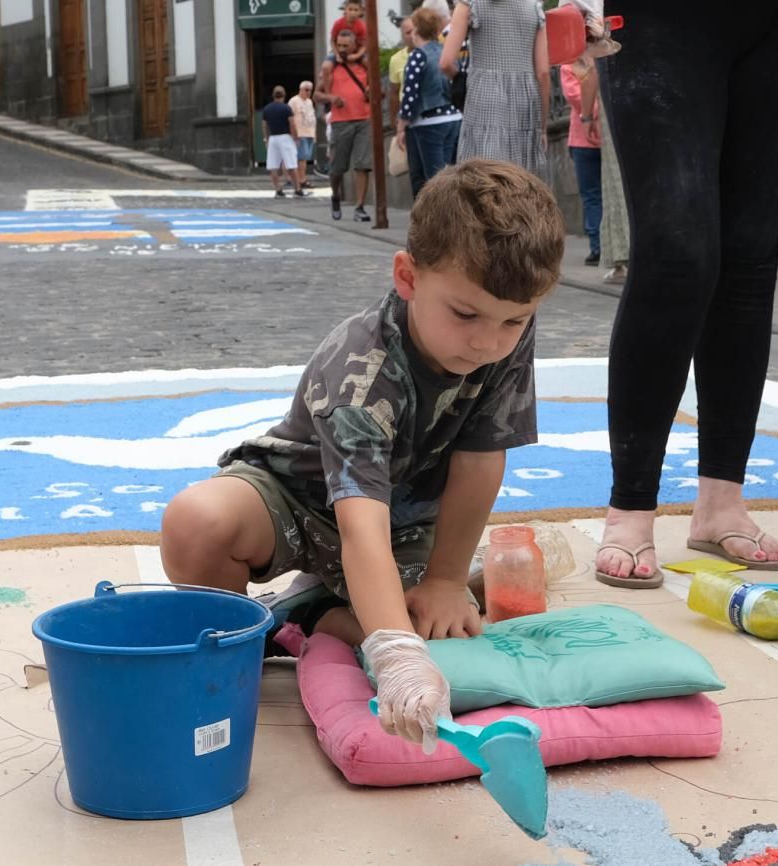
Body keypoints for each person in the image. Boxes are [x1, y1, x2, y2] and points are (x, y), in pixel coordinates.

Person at [159, 159, 565, 749]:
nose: (487, 341)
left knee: (451, 618)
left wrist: (449, 579)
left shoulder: (502, 332)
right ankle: (245, 636)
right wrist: (396, 654)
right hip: (301, 504)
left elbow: (480, 457)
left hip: (403, 523)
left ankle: (307, 616)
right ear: (408, 276)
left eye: (514, 321)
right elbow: (357, 523)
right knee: (197, 523)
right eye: (465, 314)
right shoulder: (361, 368)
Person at [593, 1, 778, 588]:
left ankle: (721, 501)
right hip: (661, 15)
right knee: (674, 255)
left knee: (749, 261)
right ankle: (630, 506)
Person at [440, 0, 549, 178]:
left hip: (483, 97)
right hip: (525, 101)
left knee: (481, 176)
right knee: (522, 180)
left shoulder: (469, 4)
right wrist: (542, 127)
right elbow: (543, 74)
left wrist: (460, 79)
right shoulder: (534, 7)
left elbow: (445, 62)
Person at [398, 7, 462, 196]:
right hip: (453, 117)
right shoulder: (445, 51)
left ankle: (439, 221)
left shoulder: (418, 55)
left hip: (429, 120)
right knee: (453, 174)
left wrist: (402, 125)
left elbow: (410, 94)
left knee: (434, 180)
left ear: (416, 29)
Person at [316, 29, 375, 222]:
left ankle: (359, 207)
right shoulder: (330, 68)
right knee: (337, 167)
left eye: (345, 46)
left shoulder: (364, 65)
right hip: (341, 122)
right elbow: (317, 95)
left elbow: (379, 91)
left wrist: (370, 91)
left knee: (362, 164)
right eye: (339, 46)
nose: (341, 50)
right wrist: (331, 97)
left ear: (354, 46)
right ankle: (335, 196)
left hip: (364, 119)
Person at [560, 54, 602, 266]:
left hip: (582, 138)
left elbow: (574, 96)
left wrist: (591, 114)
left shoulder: (569, 64)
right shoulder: (604, 58)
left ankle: (597, 247)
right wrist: (602, 113)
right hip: (602, 137)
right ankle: (604, 245)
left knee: (591, 196)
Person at [598, 103, 628, 285]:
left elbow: (589, 78)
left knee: (617, 188)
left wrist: (586, 116)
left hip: (615, 116)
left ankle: (622, 261)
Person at [262, 86, 306, 198]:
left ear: (273, 95)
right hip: (285, 137)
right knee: (291, 164)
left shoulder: (267, 109)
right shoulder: (286, 108)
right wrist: (295, 137)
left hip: (273, 138)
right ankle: (297, 189)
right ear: (284, 95)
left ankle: (278, 189)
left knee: (273, 165)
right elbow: (292, 124)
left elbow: (264, 126)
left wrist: (266, 139)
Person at [288, 81, 318, 191]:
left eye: (310, 90)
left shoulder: (310, 102)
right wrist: (293, 133)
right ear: (300, 89)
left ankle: (301, 178)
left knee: (305, 158)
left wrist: (315, 134)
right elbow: (289, 118)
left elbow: (313, 118)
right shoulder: (294, 101)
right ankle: (301, 180)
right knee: (302, 158)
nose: (308, 92)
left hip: (310, 132)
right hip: (300, 133)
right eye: (306, 89)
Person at [389, 15, 417, 124]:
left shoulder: (432, 53)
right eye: (408, 32)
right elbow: (394, 92)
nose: (412, 35)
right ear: (402, 36)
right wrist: (393, 118)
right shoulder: (395, 59)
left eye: (414, 31)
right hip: (406, 113)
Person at [330, 0, 369, 65]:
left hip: (356, 52)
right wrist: (337, 54)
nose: (352, 12)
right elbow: (332, 41)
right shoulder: (338, 24)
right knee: (326, 66)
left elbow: (364, 45)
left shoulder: (362, 26)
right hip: (339, 52)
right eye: (350, 9)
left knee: (368, 63)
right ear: (345, 10)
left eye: (356, 10)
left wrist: (357, 55)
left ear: (360, 12)